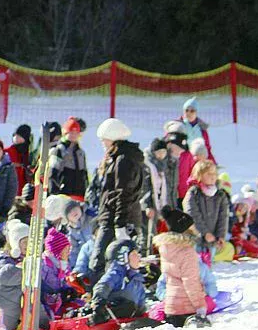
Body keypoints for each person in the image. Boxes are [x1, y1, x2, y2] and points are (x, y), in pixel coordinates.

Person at [87, 118, 144, 282]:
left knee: (99, 261)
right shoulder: (121, 157)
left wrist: (120, 223)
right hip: (118, 216)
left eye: (104, 138)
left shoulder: (123, 160)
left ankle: (96, 297)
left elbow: (123, 192)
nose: (102, 142)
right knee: (117, 261)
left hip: (116, 219)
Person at [154, 207, 209, 327]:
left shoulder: (167, 248)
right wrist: (200, 306)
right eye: (192, 226)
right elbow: (191, 283)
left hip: (171, 308)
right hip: (186, 309)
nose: (195, 229)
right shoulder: (186, 252)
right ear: (185, 229)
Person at [0, 220, 42, 330]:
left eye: (30, 242)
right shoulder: (6, 262)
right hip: (4, 317)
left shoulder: (29, 262)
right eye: (24, 242)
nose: (28, 246)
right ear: (16, 244)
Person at [89, 240, 147, 324]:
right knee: (128, 306)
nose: (139, 257)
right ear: (123, 257)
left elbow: (141, 301)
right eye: (134, 254)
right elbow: (102, 286)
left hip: (130, 317)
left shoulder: (137, 278)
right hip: (111, 314)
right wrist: (99, 305)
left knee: (132, 306)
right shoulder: (116, 273)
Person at [183, 160, 229, 258]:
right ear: (199, 175)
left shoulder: (220, 195)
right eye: (208, 174)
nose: (213, 177)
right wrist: (204, 232)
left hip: (212, 240)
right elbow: (192, 214)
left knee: (207, 266)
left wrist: (220, 235)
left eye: (214, 174)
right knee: (195, 267)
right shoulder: (193, 193)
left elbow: (223, 217)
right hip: (195, 238)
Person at [141, 137, 178, 249]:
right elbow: (145, 187)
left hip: (166, 204)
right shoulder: (147, 165)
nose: (161, 155)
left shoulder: (169, 165)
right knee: (149, 233)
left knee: (168, 233)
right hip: (152, 203)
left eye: (163, 152)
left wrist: (172, 205)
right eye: (158, 152)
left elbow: (172, 187)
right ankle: (147, 253)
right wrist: (147, 205)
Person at [49, 117, 88, 198]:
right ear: (65, 133)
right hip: (64, 194)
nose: (73, 135)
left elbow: (85, 174)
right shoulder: (59, 150)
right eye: (71, 132)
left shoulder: (81, 153)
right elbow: (52, 173)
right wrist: (54, 193)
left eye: (76, 132)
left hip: (79, 194)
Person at [178, 97, 214, 162]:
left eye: (192, 111)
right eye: (186, 110)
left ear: (196, 112)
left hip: (198, 161)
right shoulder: (178, 126)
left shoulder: (202, 129)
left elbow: (207, 148)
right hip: (182, 162)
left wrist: (213, 163)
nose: (189, 113)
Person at [164, 131, 193, 203]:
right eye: (177, 148)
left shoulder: (175, 161)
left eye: (181, 151)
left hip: (179, 196)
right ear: (169, 145)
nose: (179, 153)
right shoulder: (161, 159)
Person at [5, 125, 33, 196]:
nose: (16, 138)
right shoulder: (7, 151)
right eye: (15, 135)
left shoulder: (30, 153)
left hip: (25, 192)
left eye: (19, 136)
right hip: (10, 191)